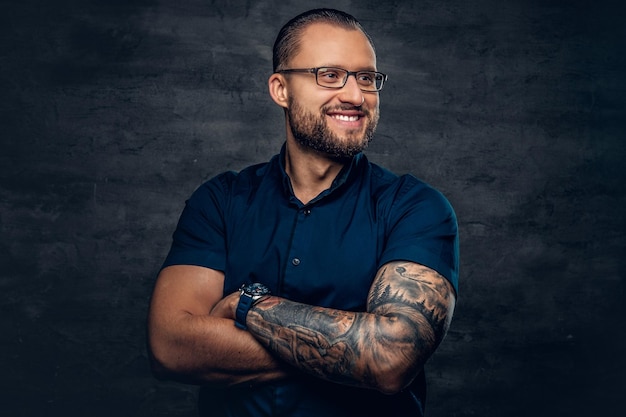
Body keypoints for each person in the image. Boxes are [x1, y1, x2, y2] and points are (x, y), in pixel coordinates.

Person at [147, 8, 459, 417]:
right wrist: (346, 353)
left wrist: (248, 306)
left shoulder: (415, 207)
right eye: (329, 75)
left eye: (366, 78)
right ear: (280, 89)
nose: (354, 95)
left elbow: (388, 359)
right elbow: (170, 348)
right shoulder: (220, 201)